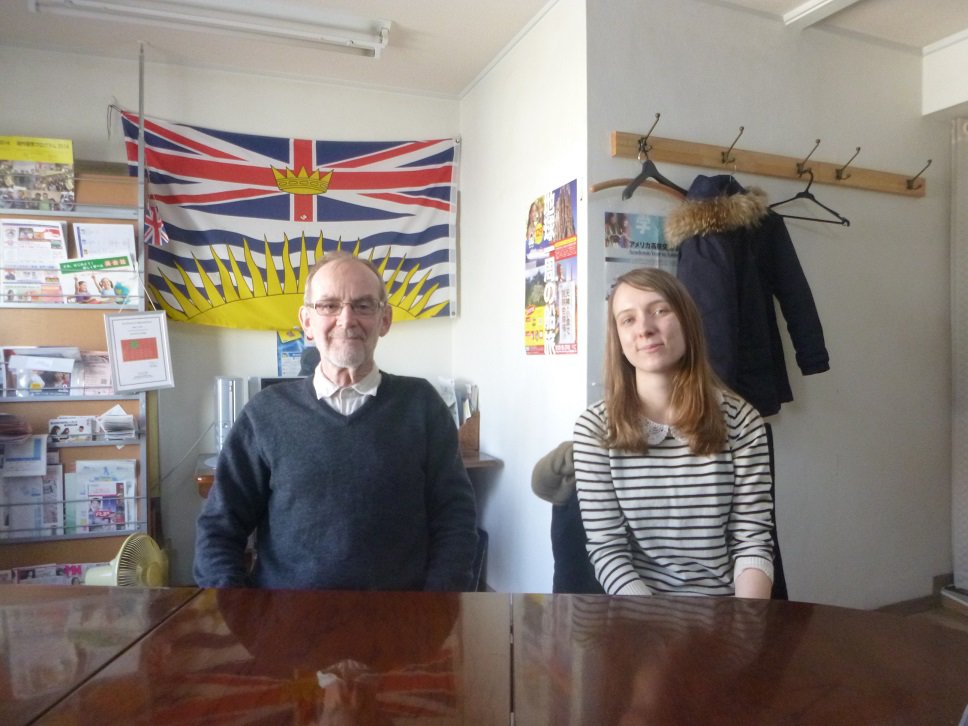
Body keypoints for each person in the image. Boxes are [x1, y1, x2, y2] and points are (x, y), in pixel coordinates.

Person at [194, 252, 478, 591]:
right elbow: (219, 528)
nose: (346, 319)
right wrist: (235, 607)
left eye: (363, 305)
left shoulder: (422, 406)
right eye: (329, 305)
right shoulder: (266, 413)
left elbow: (455, 519)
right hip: (286, 617)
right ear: (307, 322)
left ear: (385, 320)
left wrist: (437, 605)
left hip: (401, 616)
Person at [574, 267, 774, 598]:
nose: (645, 329)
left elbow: (752, 542)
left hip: (726, 610)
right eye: (628, 319)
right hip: (638, 613)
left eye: (660, 311)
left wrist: (746, 622)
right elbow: (608, 550)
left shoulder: (741, 420)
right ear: (618, 338)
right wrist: (655, 624)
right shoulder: (594, 428)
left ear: (687, 321)